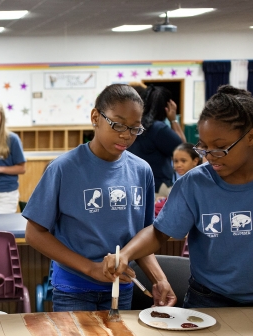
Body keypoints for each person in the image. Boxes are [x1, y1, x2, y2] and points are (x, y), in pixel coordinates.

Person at [23, 84, 176, 312]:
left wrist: (159, 278)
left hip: (120, 287)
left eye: (134, 129)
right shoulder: (63, 169)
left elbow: (142, 237)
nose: (125, 135)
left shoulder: (142, 171)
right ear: (96, 117)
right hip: (73, 290)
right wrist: (91, 269)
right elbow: (34, 234)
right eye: (117, 124)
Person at [105, 85, 253, 308]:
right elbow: (159, 233)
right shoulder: (194, 183)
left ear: (250, 137)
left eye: (221, 148)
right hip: (208, 299)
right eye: (204, 148)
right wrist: (125, 254)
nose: (210, 157)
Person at [128, 86, 186, 199]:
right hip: (158, 189)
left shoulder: (135, 125)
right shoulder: (158, 128)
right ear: (166, 108)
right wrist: (173, 120)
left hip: (136, 185)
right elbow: (183, 149)